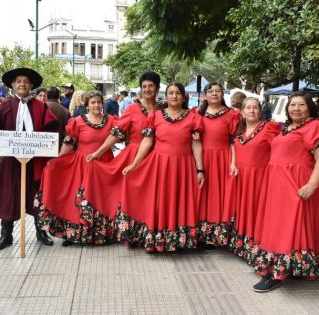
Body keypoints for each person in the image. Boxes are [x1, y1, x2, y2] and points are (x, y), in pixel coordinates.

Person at [251, 92, 319, 292]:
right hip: (277, 185)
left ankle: (277, 273)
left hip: (297, 184)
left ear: (309, 108)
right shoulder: (286, 128)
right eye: (292, 104)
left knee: (289, 227)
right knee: (278, 226)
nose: (296, 108)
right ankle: (288, 267)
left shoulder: (316, 127)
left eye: (301, 104)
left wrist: (312, 185)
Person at [117, 82, 204, 253]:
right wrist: (134, 164)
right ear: (166, 96)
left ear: (183, 96)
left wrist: (200, 170)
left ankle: (174, 240)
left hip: (182, 167)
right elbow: (147, 141)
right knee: (158, 202)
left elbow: (196, 144)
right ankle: (155, 239)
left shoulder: (193, 117)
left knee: (177, 201)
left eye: (177, 93)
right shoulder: (155, 116)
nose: (174, 96)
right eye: (170, 93)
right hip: (159, 166)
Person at [83, 71, 161, 242]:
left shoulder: (162, 108)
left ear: (157, 88)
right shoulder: (132, 108)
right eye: (144, 86)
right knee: (135, 196)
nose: (147, 89)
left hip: (157, 158)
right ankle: (133, 234)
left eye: (151, 86)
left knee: (154, 196)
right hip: (134, 156)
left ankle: (151, 233)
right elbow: (116, 133)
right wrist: (98, 152)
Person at [0, 67, 59, 251]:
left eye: (25, 81)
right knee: (9, 195)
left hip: (35, 162)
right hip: (12, 162)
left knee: (37, 196)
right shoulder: (5, 106)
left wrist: (43, 145)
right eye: (18, 81)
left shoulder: (40, 106)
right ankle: (6, 235)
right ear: (13, 85)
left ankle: (41, 232)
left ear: (31, 85)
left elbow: (52, 128)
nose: (22, 84)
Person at [35, 91, 117, 246]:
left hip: (105, 166)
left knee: (102, 200)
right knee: (78, 201)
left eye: (99, 102)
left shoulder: (112, 121)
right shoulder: (78, 121)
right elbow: (68, 143)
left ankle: (101, 234)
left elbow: (122, 136)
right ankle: (73, 235)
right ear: (87, 106)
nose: (96, 105)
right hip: (82, 166)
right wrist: (56, 162)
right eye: (92, 103)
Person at [229, 97, 280, 262]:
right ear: (242, 112)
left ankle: (256, 247)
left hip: (259, 178)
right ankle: (243, 246)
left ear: (260, 111)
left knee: (257, 210)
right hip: (241, 177)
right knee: (243, 209)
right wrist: (233, 163)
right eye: (248, 108)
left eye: (255, 108)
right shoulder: (239, 131)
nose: (251, 111)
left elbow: (279, 151)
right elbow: (233, 147)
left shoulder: (268, 128)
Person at [196, 82, 240, 248]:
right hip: (201, 158)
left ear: (223, 94)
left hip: (222, 159)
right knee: (201, 194)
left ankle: (216, 236)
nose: (214, 94)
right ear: (205, 95)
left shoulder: (232, 115)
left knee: (217, 195)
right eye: (211, 91)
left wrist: (234, 162)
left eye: (218, 91)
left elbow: (234, 141)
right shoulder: (197, 114)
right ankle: (200, 234)